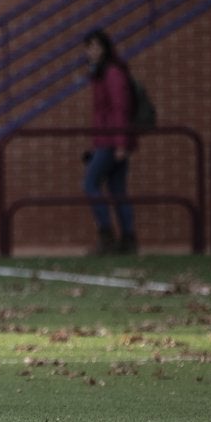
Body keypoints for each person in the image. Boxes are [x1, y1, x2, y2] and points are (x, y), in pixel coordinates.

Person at [82, 29, 137, 255]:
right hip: (105, 140)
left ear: (105, 48)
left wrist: (121, 143)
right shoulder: (99, 74)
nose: (92, 52)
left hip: (112, 141)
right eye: (89, 47)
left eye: (96, 46)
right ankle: (126, 239)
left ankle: (108, 235)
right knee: (117, 189)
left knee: (90, 184)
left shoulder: (112, 73)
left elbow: (119, 109)